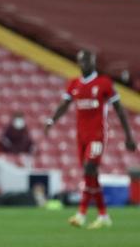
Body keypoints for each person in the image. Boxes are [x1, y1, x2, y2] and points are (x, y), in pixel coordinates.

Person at [45, 49, 136, 229]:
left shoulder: (104, 83)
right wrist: (51, 120)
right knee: (90, 175)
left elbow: (119, 109)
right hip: (81, 137)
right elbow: (64, 104)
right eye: (81, 61)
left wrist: (128, 136)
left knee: (89, 168)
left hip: (98, 135)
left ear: (93, 62)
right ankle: (103, 215)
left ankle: (81, 214)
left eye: (87, 61)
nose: (83, 64)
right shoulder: (74, 84)